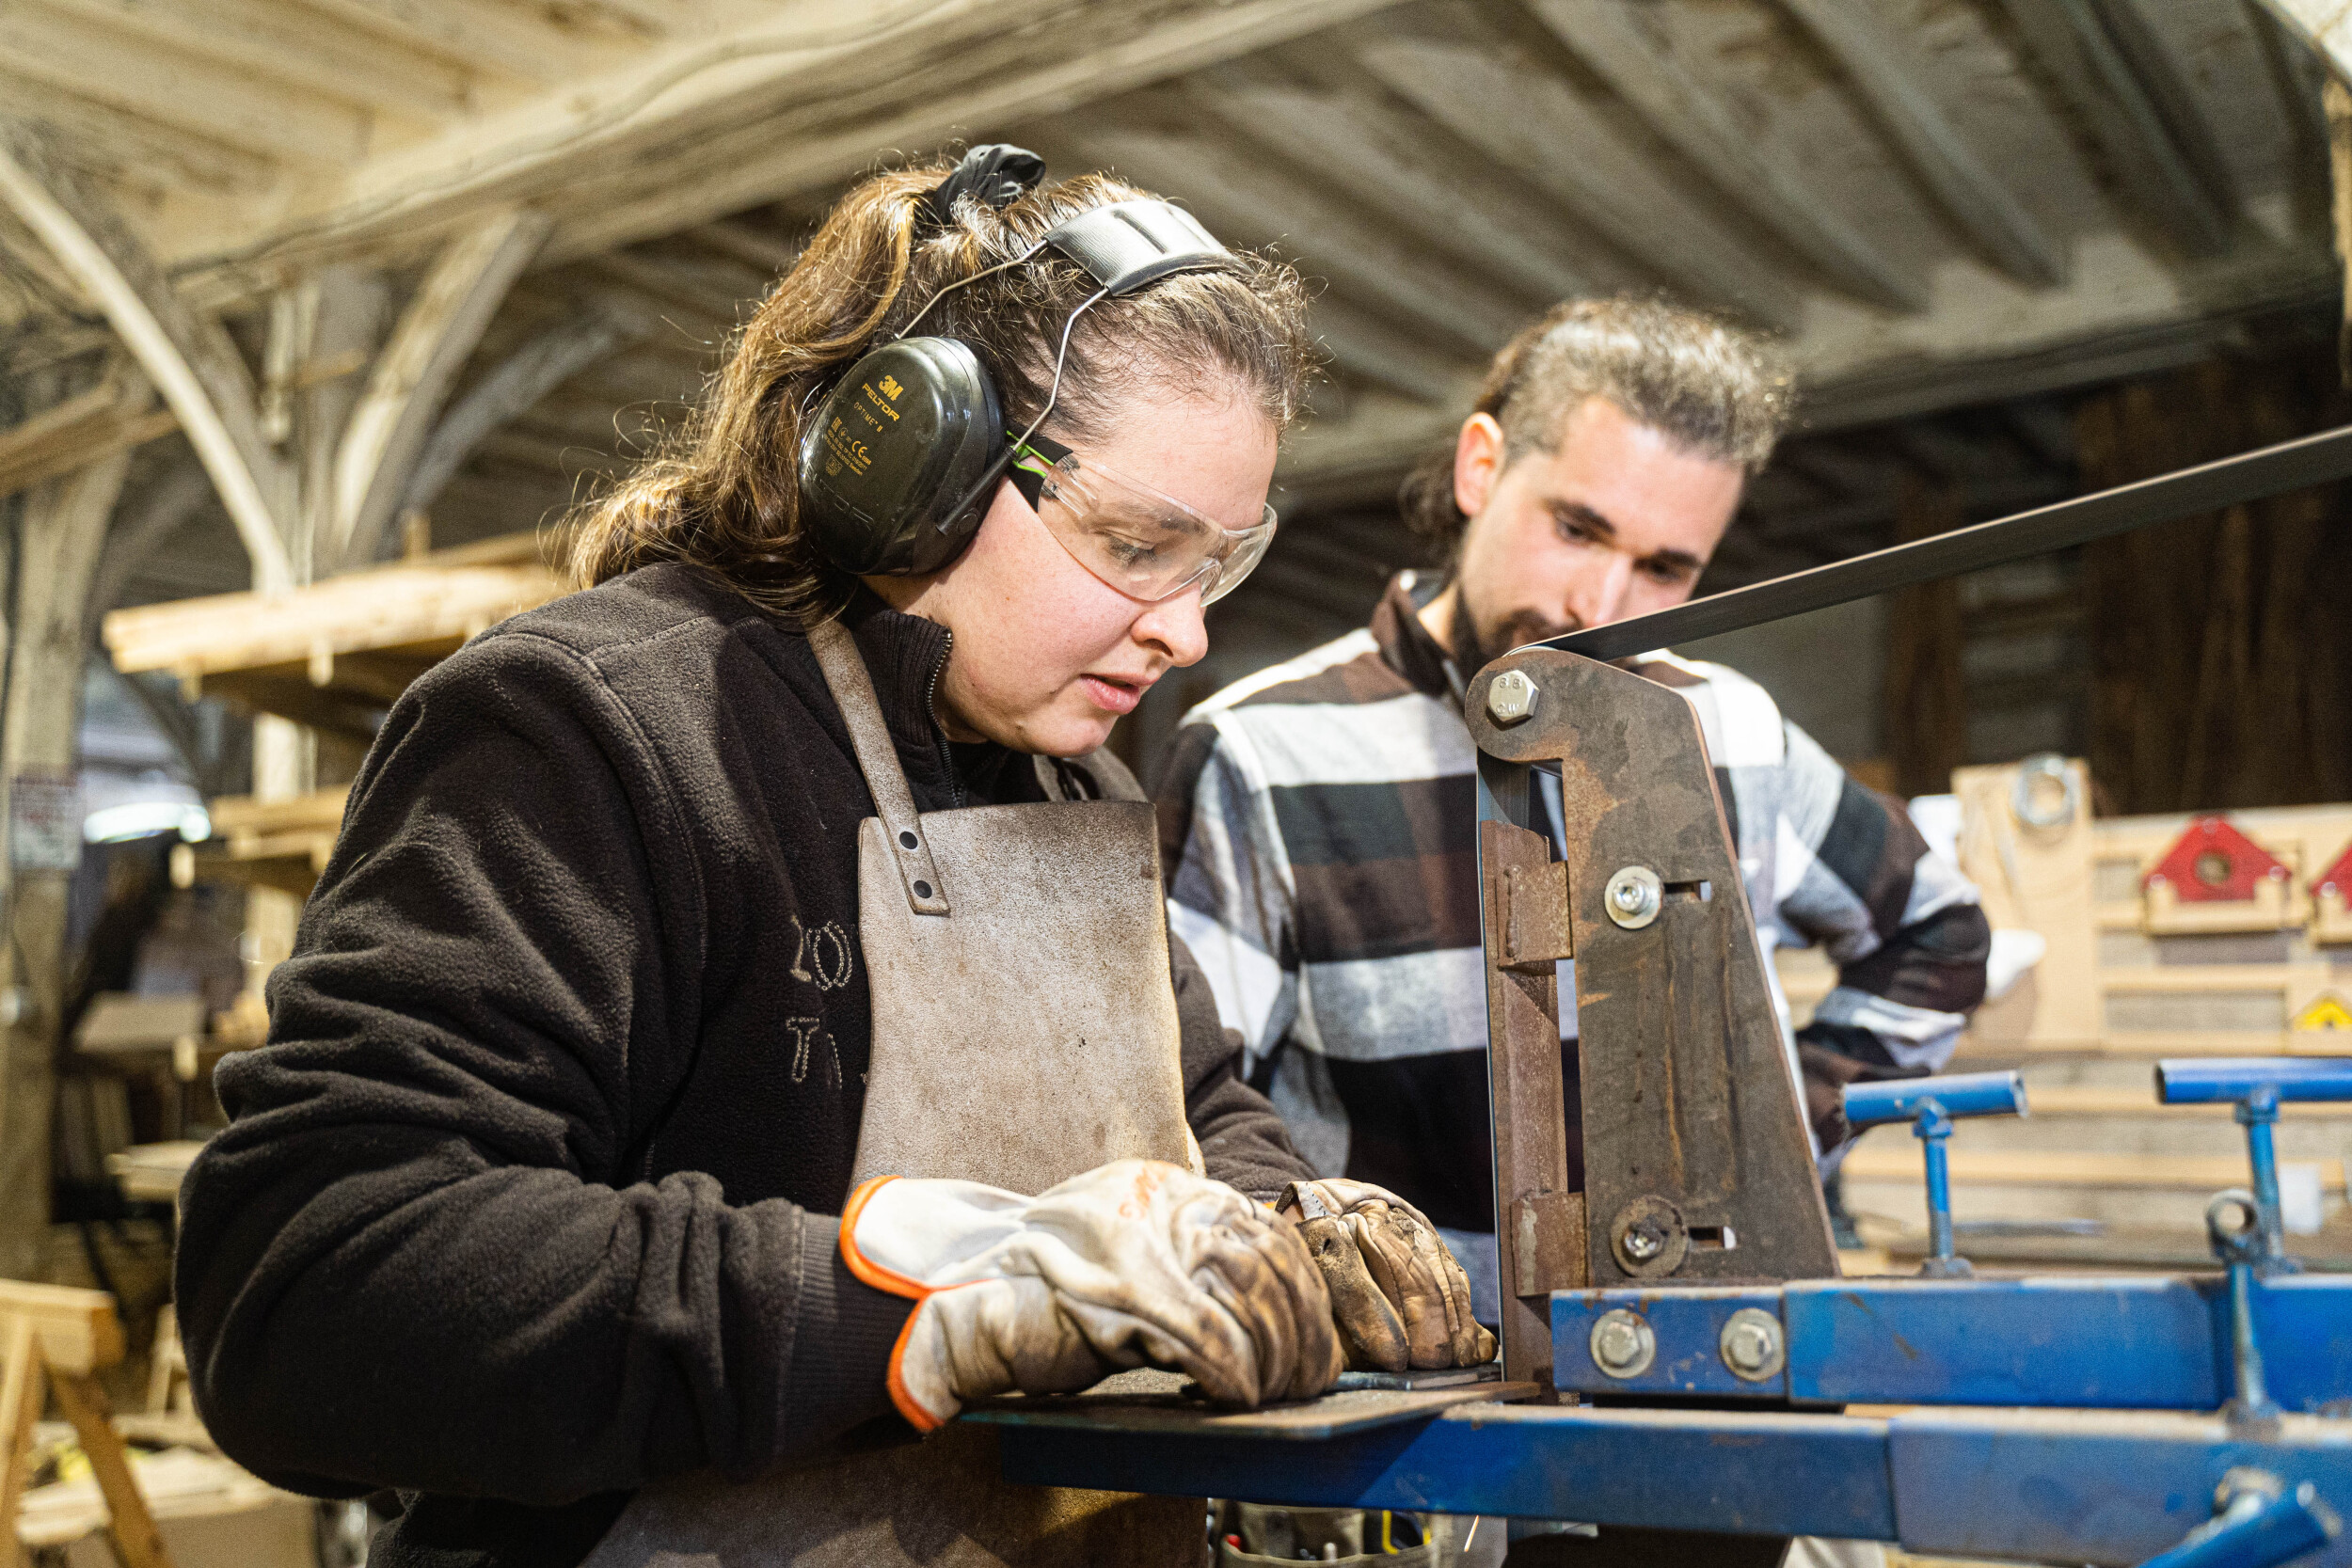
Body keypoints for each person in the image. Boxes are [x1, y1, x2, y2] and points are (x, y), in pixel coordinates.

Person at [173, 147, 1487, 1568]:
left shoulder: (1066, 774)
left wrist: (1283, 1221)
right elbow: (307, 1285)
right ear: (911, 462)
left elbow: (1201, 1100)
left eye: (1218, 559)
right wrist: (905, 1294)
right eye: (1135, 544)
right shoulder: (594, 727)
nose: (1189, 631)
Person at [1156, 296, 1994, 1326]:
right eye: (1576, 527)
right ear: (1480, 468)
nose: (1599, 602)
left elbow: (1939, 930)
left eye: (1664, 566)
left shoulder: (1729, 730)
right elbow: (1185, 1111)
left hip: (1705, 1366)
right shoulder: (1261, 750)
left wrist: (1772, 1131)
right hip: (1408, 1416)